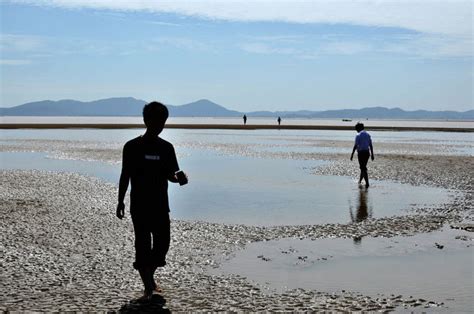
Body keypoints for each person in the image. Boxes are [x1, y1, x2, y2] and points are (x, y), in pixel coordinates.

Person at [116, 101, 187, 300]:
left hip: (160, 205)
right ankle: (148, 286)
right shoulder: (132, 147)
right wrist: (120, 201)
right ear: (146, 121)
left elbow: (171, 175)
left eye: (163, 122)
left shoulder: (166, 148)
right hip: (139, 205)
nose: (160, 126)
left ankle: (149, 276)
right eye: (157, 121)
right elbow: (125, 175)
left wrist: (180, 179)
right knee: (143, 245)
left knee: (162, 245)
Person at [350, 122, 374, 187]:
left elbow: (355, 145)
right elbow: (371, 145)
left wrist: (352, 154)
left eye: (356, 128)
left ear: (359, 128)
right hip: (367, 153)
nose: (356, 130)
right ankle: (360, 181)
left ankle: (367, 183)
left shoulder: (358, 135)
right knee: (363, 167)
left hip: (361, 153)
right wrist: (372, 154)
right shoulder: (368, 134)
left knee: (363, 168)